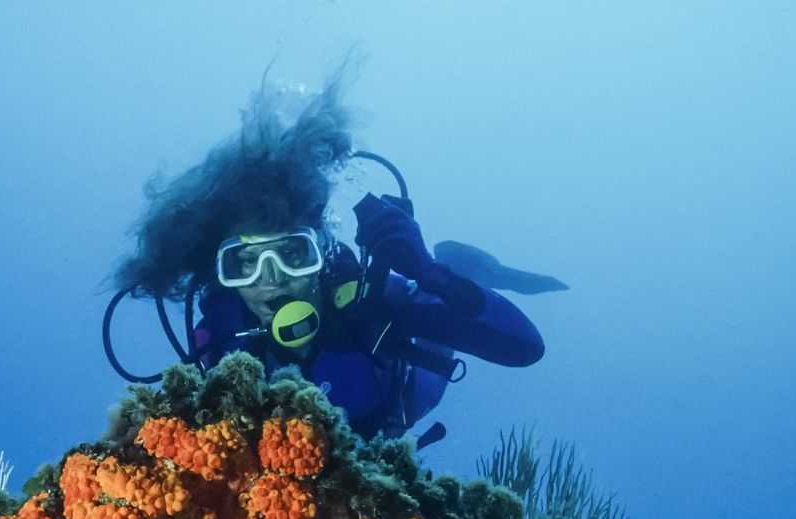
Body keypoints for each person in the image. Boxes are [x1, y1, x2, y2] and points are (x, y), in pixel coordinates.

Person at [110, 81, 544, 444]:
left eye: (292, 254)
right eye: (245, 263)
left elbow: (525, 348)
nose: (272, 279)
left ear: (318, 254)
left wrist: (429, 273)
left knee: (443, 295)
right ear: (223, 275)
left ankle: (460, 264)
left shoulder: (371, 301)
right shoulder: (217, 336)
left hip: (401, 407)